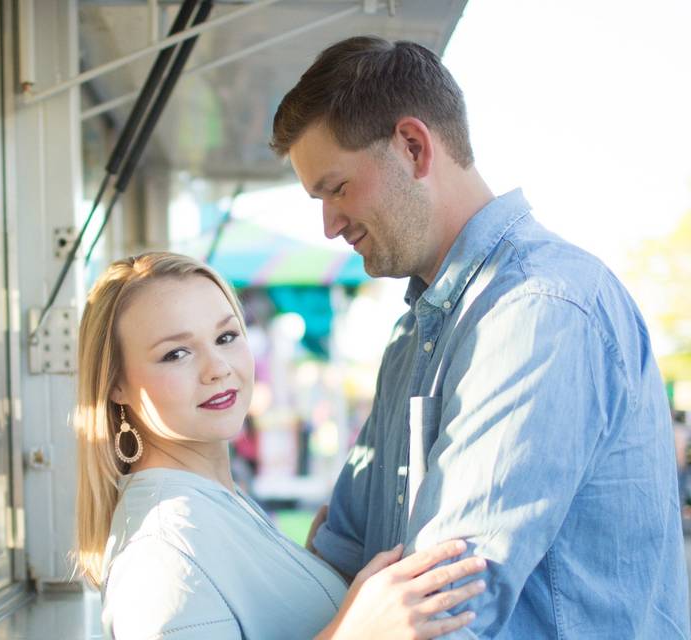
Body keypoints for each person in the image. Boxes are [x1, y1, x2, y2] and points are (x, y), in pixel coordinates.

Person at [270, 35, 690, 638]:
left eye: (337, 188)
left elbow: (440, 616)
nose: (330, 225)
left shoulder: (537, 310)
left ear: (413, 147)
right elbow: (339, 555)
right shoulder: (413, 334)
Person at [73, 252, 487, 639]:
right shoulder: (158, 552)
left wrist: (306, 573)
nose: (218, 368)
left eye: (226, 336)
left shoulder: (217, 503)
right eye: (176, 353)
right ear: (116, 386)